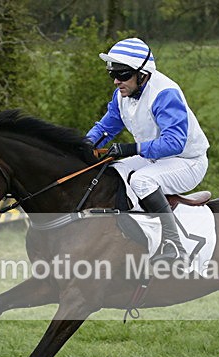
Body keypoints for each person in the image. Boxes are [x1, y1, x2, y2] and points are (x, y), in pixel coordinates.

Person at [86, 38, 209, 264]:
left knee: (142, 181)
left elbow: (174, 142)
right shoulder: (122, 95)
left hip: (187, 161)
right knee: (111, 172)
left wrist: (131, 148)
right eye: (112, 74)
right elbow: (105, 128)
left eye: (122, 75)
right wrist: (83, 146)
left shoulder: (165, 93)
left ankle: (174, 245)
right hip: (154, 159)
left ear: (142, 74)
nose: (116, 81)